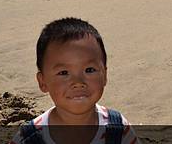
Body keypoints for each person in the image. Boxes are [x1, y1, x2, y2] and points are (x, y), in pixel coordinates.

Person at [10, 17, 138, 144]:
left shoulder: (118, 129)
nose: (78, 82)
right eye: (63, 73)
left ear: (104, 75)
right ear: (43, 82)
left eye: (89, 70)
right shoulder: (27, 138)